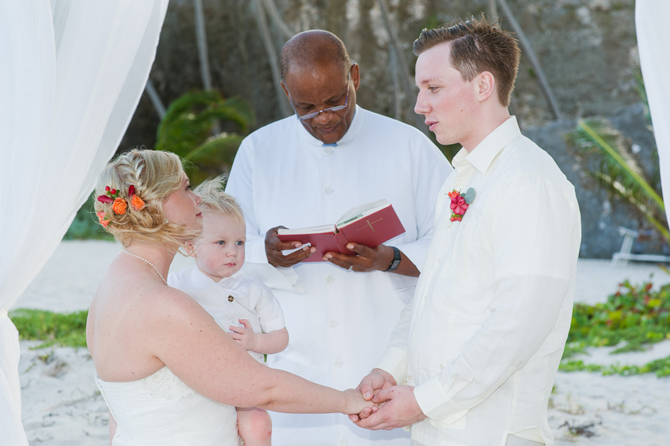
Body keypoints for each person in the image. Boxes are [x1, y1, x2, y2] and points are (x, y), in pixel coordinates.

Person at [351, 17, 582, 446]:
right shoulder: (460, 180)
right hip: (441, 429)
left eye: (433, 88)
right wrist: (391, 368)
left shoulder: (528, 181)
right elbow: (431, 295)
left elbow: (518, 325)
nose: (420, 105)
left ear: (482, 86)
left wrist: (423, 400)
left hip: (492, 432)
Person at [225, 30, 452, 445]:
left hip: (386, 362)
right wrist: (265, 251)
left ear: (355, 77)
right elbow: (222, 247)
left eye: (335, 101)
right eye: (306, 108)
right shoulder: (258, 152)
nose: (324, 117)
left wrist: (390, 258)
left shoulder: (409, 147)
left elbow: (457, 245)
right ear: (285, 92)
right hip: (295, 370)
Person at [86, 149, 373, 446]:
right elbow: (262, 388)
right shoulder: (162, 304)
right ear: (158, 204)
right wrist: (346, 401)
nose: (197, 199)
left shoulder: (110, 287)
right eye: (185, 188)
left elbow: (118, 414)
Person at [168, 176, 288, 446]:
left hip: (246, 385)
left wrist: (256, 341)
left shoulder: (254, 290)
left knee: (259, 424)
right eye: (220, 243)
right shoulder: (179, 285)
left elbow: (281, 336)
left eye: (240, 243)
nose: (232, 252)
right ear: (190, 246)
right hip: (197, 385)